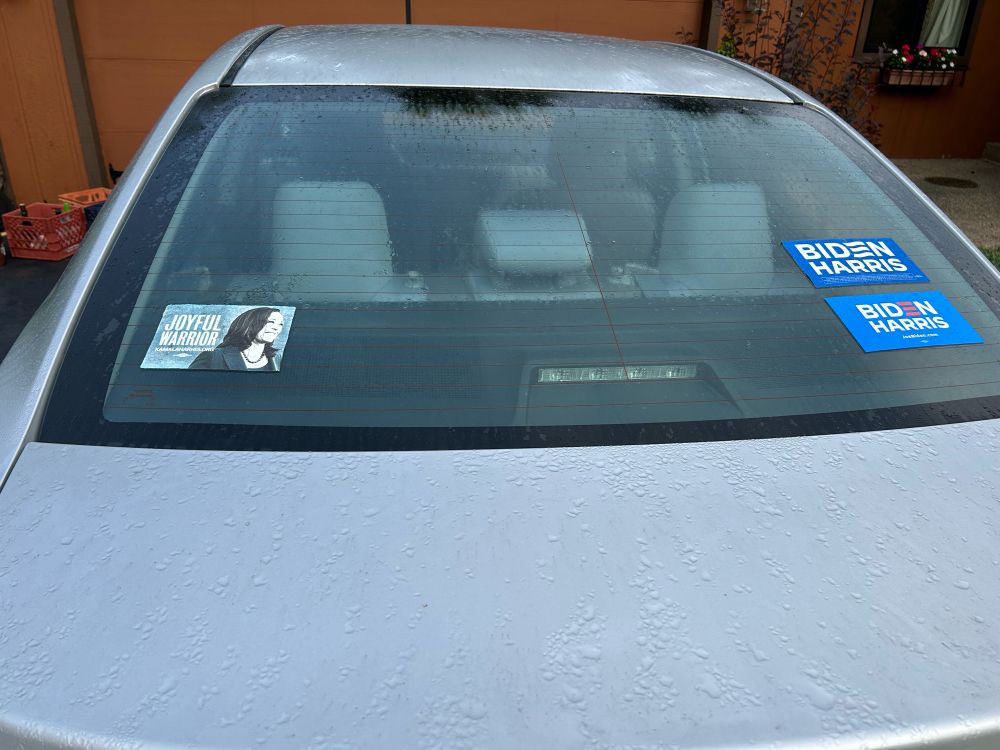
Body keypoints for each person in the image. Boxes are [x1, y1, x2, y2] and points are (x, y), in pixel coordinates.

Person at [188, 307, 284, 371]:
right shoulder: (213, 356)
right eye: (271, 322)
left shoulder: (276, 359)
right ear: (250, 323)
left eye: (280, 324)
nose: (276, 328)